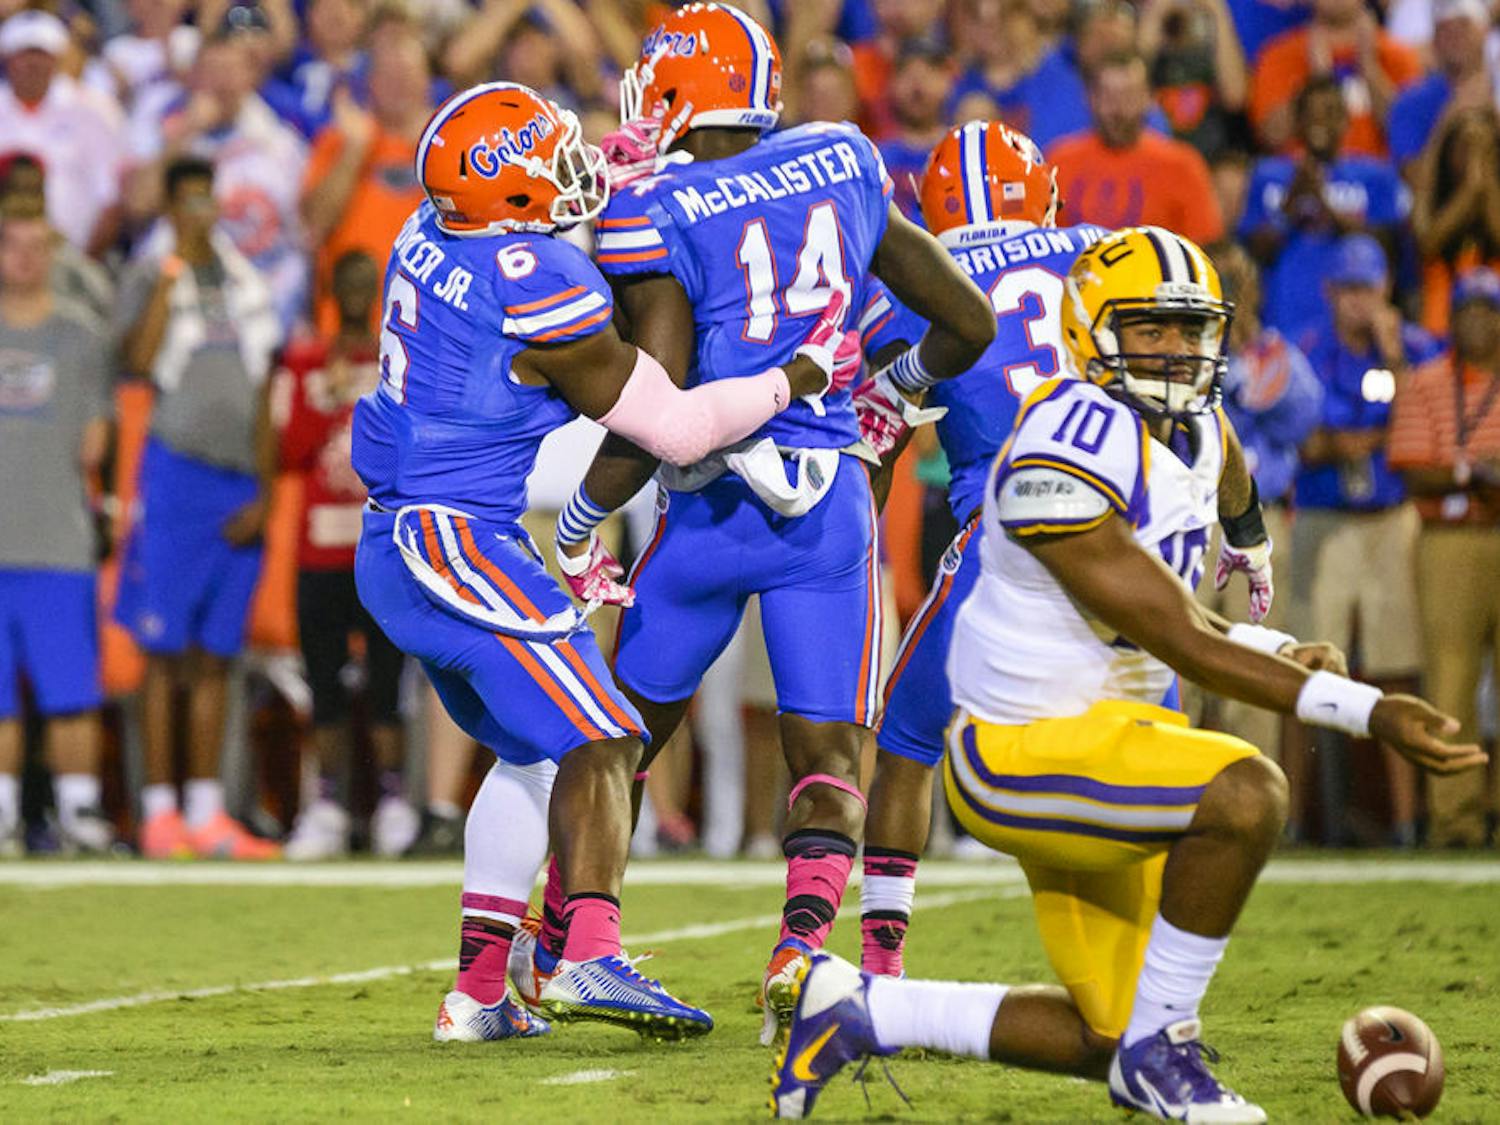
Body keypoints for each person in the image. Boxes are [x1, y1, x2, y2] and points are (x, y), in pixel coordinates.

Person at [770, 225, 1486, 1122]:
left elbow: (1167, 617)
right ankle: (1166, 1050)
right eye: (1152, 330)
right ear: (1090, 333)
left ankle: (859, 1007)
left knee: (1104, 1030)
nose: (1180, 351)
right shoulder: (1063, 441)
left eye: (1193, 331)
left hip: (1104, 732)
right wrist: (1360, 708)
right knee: (1244, 793)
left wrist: (1277, 649)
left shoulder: (1191, 437)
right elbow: (1177, 636)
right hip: (1019, 752)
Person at [538, 2, 995, 1047]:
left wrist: (584, 515)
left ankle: (572, 938)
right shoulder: (840, 157)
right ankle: (801, 949)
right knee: (829, 744)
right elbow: (966, 321)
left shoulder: (656, 204)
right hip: (824, 502)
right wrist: (895, 393)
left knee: (616, 737)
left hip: (705, 512)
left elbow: (660, 400)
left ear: (677, 96)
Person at [352, 79, 845, 1041]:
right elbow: (684, 425)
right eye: (545, 158)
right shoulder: (537, 280)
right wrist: (803, 371)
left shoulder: (430, 225)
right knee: (608, 734)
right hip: (452, 538)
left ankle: (482, 994)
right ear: (510, 196)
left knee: (538, 751)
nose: (570, 166)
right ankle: (587, 959)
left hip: (410, 533)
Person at [114, 155, 283, 861]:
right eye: (185, 202)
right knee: (162, 651)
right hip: (175, 475)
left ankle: (207, 813)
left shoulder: (246, 282)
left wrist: (267, 494)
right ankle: (158, 813)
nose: (198, 215)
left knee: (218, 652)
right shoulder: (154, 275)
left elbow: (265, 394)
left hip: (237, 481)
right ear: (169, 212)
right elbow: (139, 359)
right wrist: (173, 271)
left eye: (206, 201)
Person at [1291, 233, 1442, 847]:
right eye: (1347, 289)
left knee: (1398, 671)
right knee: (1301, 672)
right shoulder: (1308, 348)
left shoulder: (1413, 348)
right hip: (1324, 520)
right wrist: (1377, 438)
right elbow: (1310, 441)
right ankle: (1293, 822)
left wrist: (1397, 368)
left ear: (1386, 289)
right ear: (1330, 293)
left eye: (1368, 288)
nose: (1358, 301)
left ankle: (1407, 822)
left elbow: (1428, 431)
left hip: (1389, 519)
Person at [278, 250, 414, 860]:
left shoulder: (400, 358)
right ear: (335, 288)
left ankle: (390, 801)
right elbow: (288, 447)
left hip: (383, 542)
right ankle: (329, 803)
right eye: (350, 283)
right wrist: (327, 393)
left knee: (389, 683)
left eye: (368, 284)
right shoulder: (309, 359)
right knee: (324, 682)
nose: (360, 294)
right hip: (323, 545)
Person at [0, 211, 115, 856]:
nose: (24, 258)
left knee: (71, 688)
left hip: (57, 540)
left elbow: (95, 444)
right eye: (12, 245)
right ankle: (5, 813)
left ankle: (79, 811)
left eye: (36, 247)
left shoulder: (81, 337)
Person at [1198, 242, 1322, 782]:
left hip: (1260, 520)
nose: (1230, 295)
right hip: (1194, 518)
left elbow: (1301, 422)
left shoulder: (1272, 353)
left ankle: (1256, 790)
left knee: (1256, 659)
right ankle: (1173, 798)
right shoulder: (1180, 349)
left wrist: (1253, 361)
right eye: (1221, 283)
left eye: (1238, 283)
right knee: (1182, 659)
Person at [1387, 267, 1500, 848]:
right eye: (1466, 310)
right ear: (1451, 319)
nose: (1477, 321)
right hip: (1450, 542)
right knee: (1451, 679)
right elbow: (1410, 468)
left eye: (1488, 310)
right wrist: (1471, 471)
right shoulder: (1428, 381)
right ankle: (1455, 821)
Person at [1240, 75, 1406, 343]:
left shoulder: (1375, 175)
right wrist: (1290, 204)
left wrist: (1324, 202)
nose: (1320, 122)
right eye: (1310, 114)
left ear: (1346, 120)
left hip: (1354, 330)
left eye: (1329, 112)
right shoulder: (1267, 175)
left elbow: (1386, 247)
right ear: (1297, 122)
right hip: (1283, 322)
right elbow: (1253, 252)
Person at [300, 21, 430, 337]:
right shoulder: (339, 140)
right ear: (370, 82)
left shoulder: (451, 147)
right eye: (388, 75)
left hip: (429, 336)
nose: (398, 84)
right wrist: (354, 151)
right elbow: (314, 225)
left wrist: (432, 153)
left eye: (407, 73)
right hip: (349, 336)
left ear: (427, 80)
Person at [1047, 52, 1225, 247]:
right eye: (1108, 97)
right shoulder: (1059, 161)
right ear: (1091, 99)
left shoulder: (1182, 165)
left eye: (1129, 96)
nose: (1118, 109)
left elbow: (1205, 248)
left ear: (1149, 98)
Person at [0, 10, 126, 258]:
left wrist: (85, 263)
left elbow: (111, 199)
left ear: (57, 58)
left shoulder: (93, 108)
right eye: (24, 54)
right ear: (8, 59)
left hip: (74, 256)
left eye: (42, 54)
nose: (32, 64)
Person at [1248, 0, 1421, 158]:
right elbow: (1271, 136)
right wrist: (1318, 81)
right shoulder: (1279, 55)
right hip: (1304, 177)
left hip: (1377, 179)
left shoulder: (1398, 56)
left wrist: (1370, 69)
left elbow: (1410, 135)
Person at [1410, 107, 1500, 338]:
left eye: (1483, 147)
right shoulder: (1428, 197)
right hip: (1438, 327)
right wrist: (1470, 189)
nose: (1472, 157)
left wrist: (1484, 180)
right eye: (1465, 147)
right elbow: (1428, 244)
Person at [1387, 0, 1494, 180]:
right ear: (1434, 40)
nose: (1454, 35)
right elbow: (1413, 178)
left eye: (1463, 25)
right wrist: (1450, 118)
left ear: (1484, 32)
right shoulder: (1411, 102)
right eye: (1444, 29)